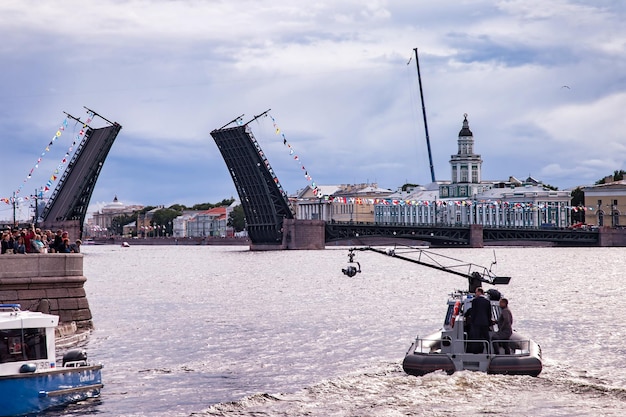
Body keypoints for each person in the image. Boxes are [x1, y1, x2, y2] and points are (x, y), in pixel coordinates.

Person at [467, 287, 492, 353]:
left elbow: (473, 312)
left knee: (476, 338)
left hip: (476, 323)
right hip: (485, 323)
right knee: (486, 338)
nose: (475, 294)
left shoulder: (475, 301)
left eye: (476, 292)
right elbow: (489, 313)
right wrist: (489, 323)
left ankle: (477, 352)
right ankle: (489, 351)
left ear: (479, 292)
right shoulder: (487, 302)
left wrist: (472, 322)